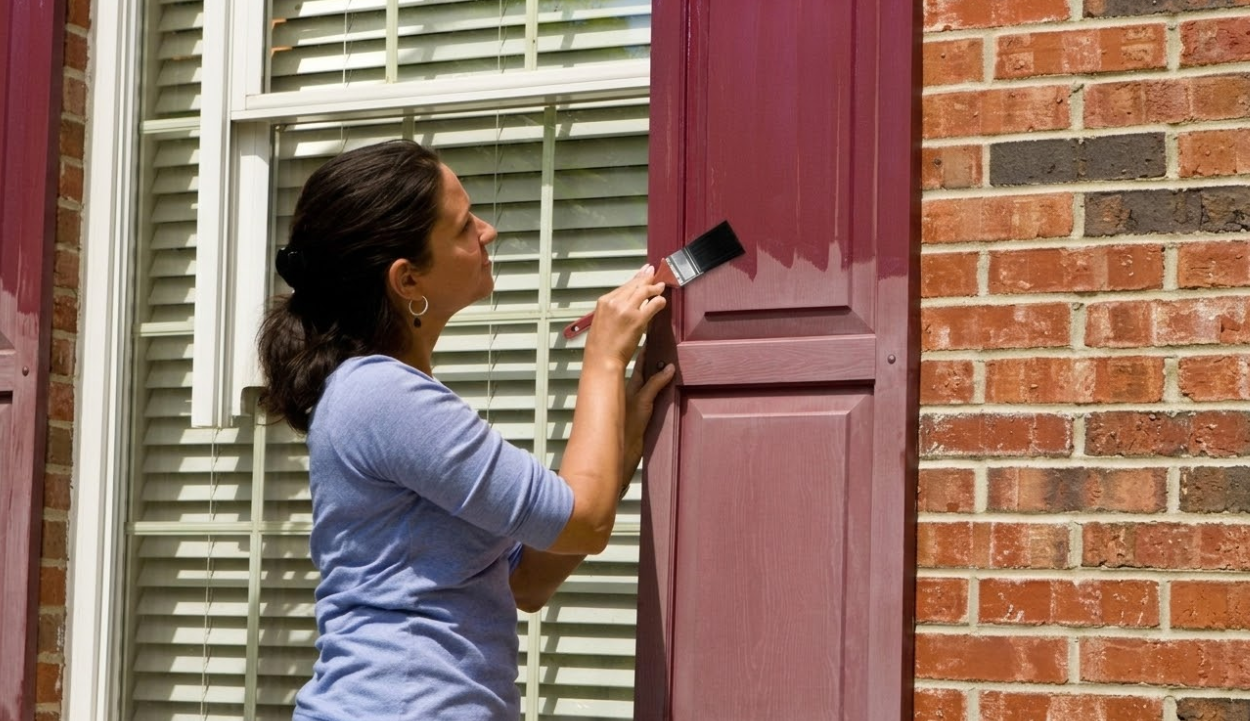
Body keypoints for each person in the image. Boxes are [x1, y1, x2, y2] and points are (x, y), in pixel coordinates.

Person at [257, 139, 675, 721]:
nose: (487, 232)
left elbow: (526, 581)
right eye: (462, 227)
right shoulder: (382, 395)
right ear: (407, 281)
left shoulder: (379, 392)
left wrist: (623, 444)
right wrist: (604, 357)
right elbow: (583, 521)